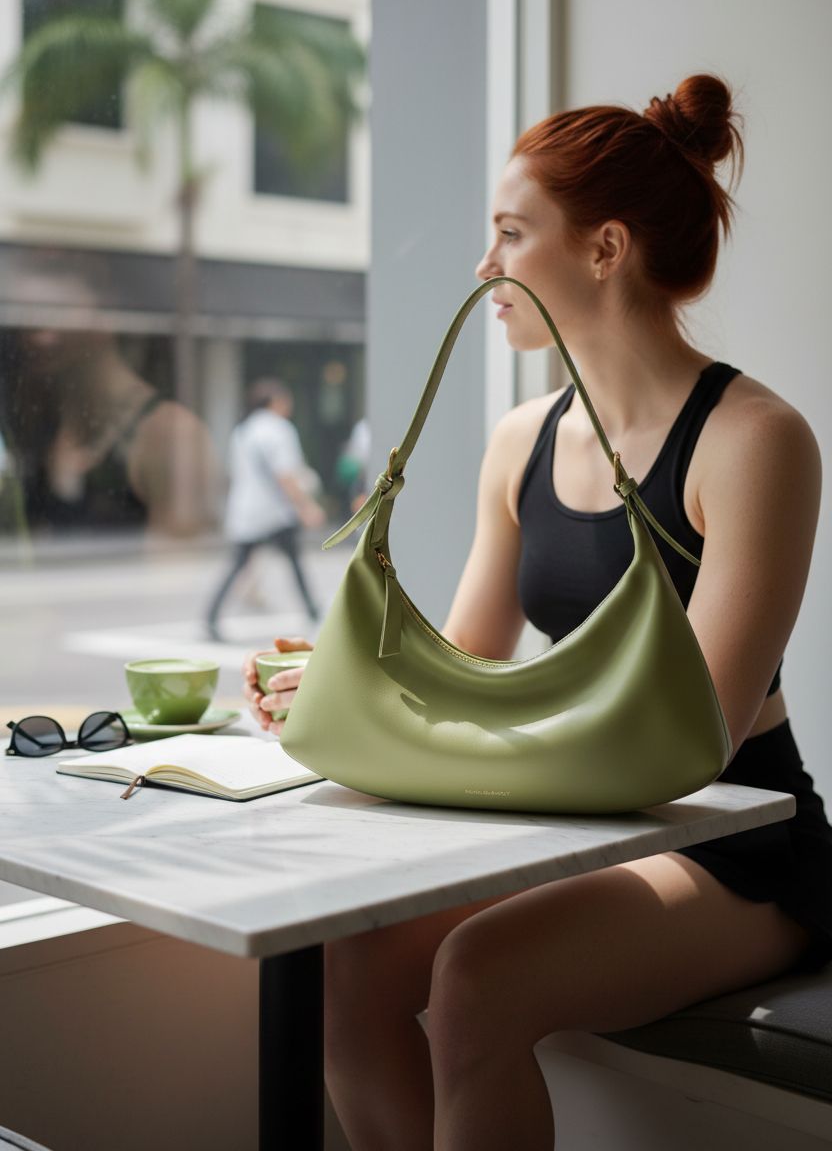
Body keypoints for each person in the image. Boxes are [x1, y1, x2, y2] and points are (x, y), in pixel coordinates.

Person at [242, 74, 832, 1150]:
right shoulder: (521, 441)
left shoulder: (757, 440)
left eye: (512, 235)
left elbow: (690, 732)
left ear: (603, 250)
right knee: (349, 958)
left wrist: (434, 735)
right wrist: (334, 685)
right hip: (582, 827)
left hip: (734, 849)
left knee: (476, 976)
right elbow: (470, 665)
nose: (485, 269)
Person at [6, 325, 220, 539]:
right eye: (30, 324)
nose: (36, 339)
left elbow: (184, 566)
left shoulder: (171, 433)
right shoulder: (38, 418)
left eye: (56, 320)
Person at [206, 378, 325, 640]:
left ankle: (211, 617)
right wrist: (306, 507)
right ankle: (315, 612)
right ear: (277, 402)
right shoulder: (280, 430)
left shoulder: (243, 431)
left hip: (247, 511)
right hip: (275, 513)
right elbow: (285, 476)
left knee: (239, 564)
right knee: (294, 563)